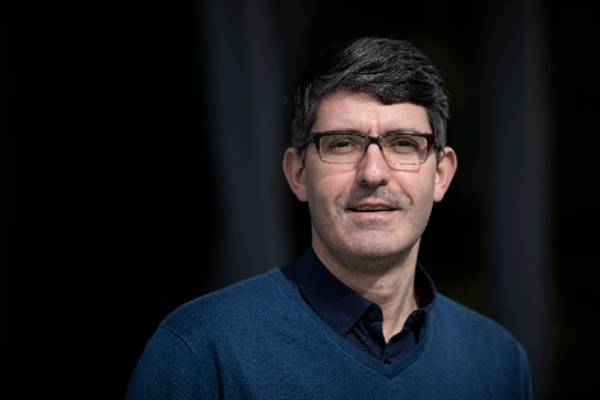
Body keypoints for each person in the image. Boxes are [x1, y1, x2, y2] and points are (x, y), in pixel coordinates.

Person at [125, 37, 532, 399]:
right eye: (342, 144)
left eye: (404, 144)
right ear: (298, 174)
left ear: (440, 174)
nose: (374, 173)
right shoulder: (202, 349)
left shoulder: (498, 361)